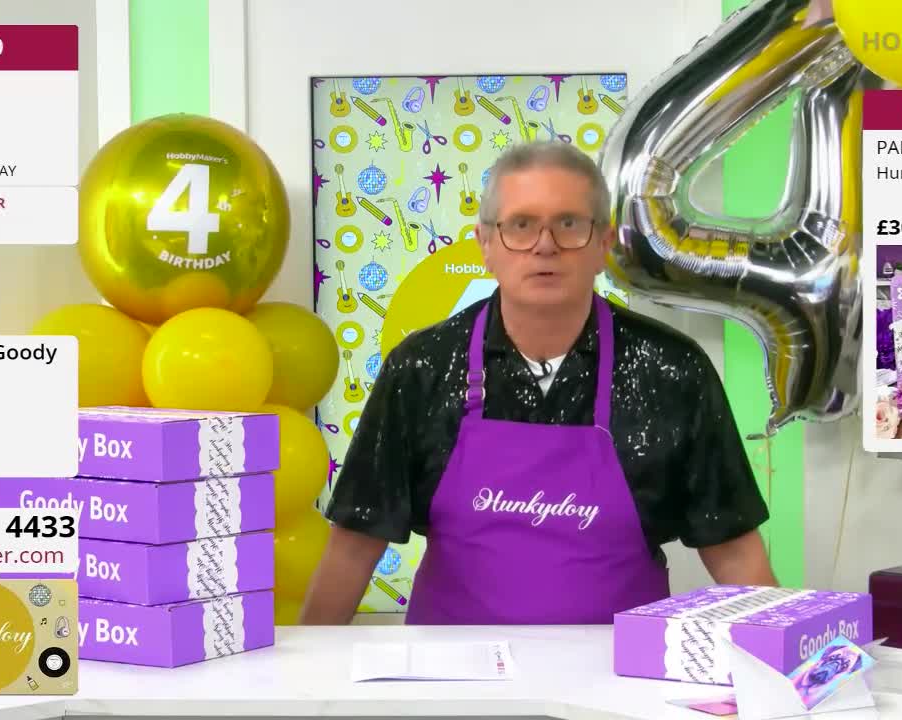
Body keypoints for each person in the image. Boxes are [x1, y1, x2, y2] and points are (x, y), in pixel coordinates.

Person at [301, 141, 776, 626]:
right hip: (449, 686)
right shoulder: (421, 367)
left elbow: (734, 551)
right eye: (521, 225)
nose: (544, 245)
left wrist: (793, 676)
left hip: (618, 684)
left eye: (569, 223)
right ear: (486, 244)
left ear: (604, 244)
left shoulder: (672, 370)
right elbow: (354, 546)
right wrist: (304, 689)